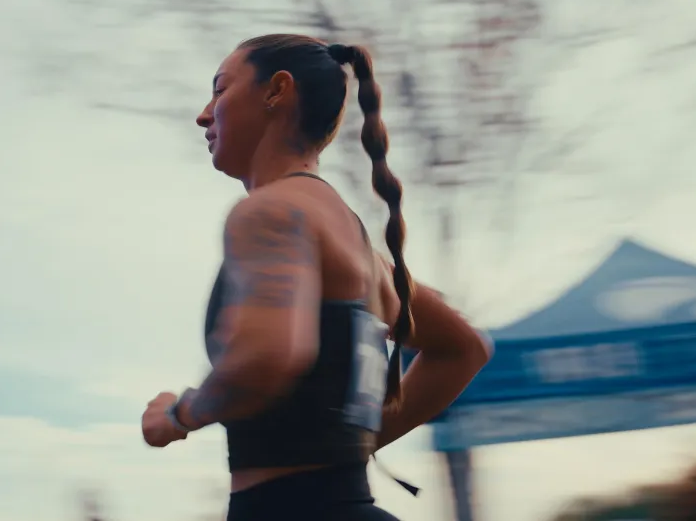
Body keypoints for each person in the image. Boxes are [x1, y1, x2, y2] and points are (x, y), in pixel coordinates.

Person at [140, 34, 493, 521]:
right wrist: (351, 445)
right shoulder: (358, 246)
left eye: (220, 90)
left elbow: (266, 358)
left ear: (276, 91)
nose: (204, 114)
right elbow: (463, 349)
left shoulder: (269, 214)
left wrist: (178, 415)